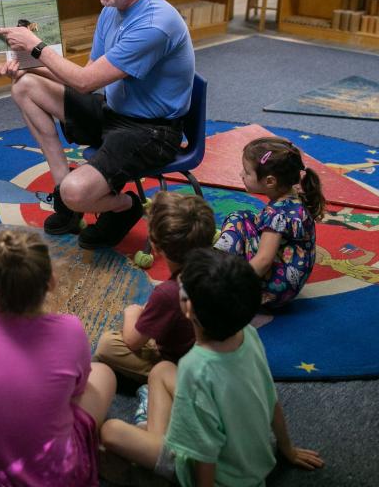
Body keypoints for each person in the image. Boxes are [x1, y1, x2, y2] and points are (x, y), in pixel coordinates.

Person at [0, 0, 195, 250]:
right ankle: (65, 196)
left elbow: (85, 83)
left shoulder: (156, 23)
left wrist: (36, 46)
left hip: (152, 132)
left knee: (79, 192)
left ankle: (123, 207)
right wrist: (25, 63)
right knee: (26, 85)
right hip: (113, 112)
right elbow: (86, 75)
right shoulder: (111, 10)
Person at [99, 248, 323, 486]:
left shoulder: (194, 368)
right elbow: (271, 399)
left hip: (220, 477)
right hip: (256, 460)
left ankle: (157, 467)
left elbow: (203, 454)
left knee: (110, 431)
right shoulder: (249, 334)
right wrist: (286, 448)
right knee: (161, 370)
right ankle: (156, 445)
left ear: (188, 308)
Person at [0, 229, 117, 486]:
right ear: (51, 281)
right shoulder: (70, 329)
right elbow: (78, 389)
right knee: (104, 375)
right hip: (53, 477)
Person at [94, 191, 216, 382]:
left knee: (108, 345)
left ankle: (166, 379)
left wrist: (132, 313)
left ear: (156, 246)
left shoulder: (169, 292)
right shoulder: (219, 268)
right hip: (213, 351)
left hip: (182, 362)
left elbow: (133, 341)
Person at [214, 136, 325, 307]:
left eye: (247, 172)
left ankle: (216, 271)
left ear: (270, 181)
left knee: (238, 219)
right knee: (248, 218)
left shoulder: (277, 214)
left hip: (273, 290)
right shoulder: (294, 194)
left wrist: (230, 285)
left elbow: (264, 260)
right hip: (289, 281)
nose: (241, 174)